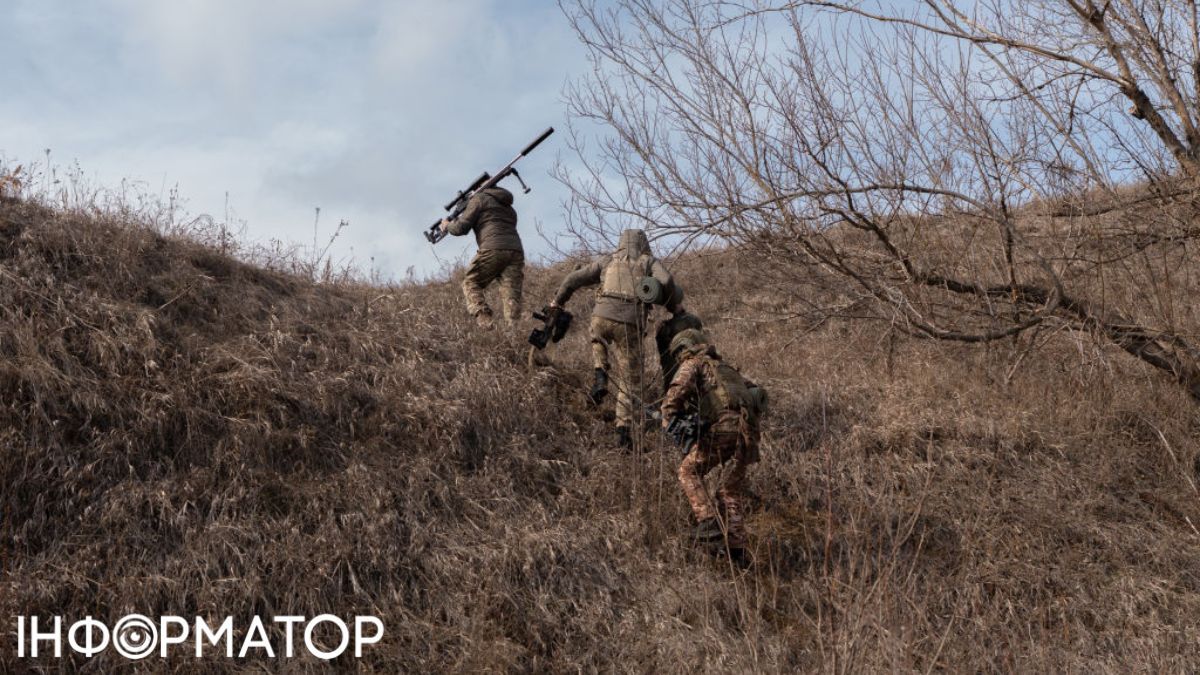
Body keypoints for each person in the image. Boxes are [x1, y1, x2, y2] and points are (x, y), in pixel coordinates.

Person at [550, 229, 682, 448]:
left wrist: (558, 302)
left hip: (600, 316)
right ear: (643, 244)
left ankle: (600, 372)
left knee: (597, 338)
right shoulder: (647, 260)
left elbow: (573, 279)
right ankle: (623, 432)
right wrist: (672, 305)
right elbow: (666, 279)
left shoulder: (607, 260)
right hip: (628, 323)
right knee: (629, 381)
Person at [660, 328, 768, 564]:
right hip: (748, 435)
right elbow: (757, 396)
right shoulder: (728, 369)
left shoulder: (694, 363)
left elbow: (673, 398)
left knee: (688, 471)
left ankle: (709, 523)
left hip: (723, 429)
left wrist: (669, 422)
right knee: (729, 491)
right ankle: (737, 551)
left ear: (684, 348)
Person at [439, 186, 523, 330]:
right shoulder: (508, 206)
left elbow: (461, 228)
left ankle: (485, 321)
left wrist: (447, 226)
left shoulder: (479, 199)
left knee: (470, 282)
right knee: (511, 295)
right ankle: (514, 335)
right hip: (516, 251)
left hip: (492, 248)